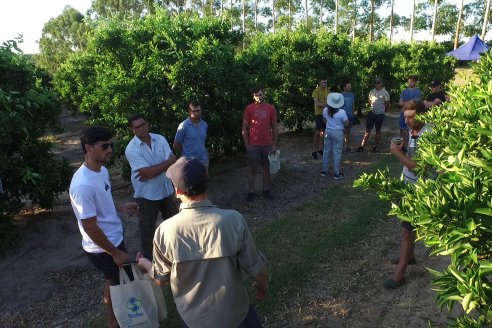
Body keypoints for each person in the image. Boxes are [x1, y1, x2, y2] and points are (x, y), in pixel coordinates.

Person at [135, 157, 269, 328]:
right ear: (207, 183)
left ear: (177, 191)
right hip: (236, 316)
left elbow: (161, 279)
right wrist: (262, 285)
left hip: (195, 321)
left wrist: (145, 263)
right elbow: (257, 267)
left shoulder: (165, 231)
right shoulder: (233, 220)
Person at [69, 125, 138, 328]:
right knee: (114, 282)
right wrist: (115, 253)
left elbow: (104, 199)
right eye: (105, 146)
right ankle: (113, 322)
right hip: (102, 247)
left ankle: (119, 318)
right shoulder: (82, 185)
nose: (110, 150)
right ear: (88, 148)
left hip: (113, 238)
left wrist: (122, 207)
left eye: (111, 145)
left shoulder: (102, 170)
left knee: (116, 280)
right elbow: (90, 226)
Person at [384, 99, 431, 289]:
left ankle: (400, 274)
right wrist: (403, 147)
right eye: (405, 117)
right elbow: (411, 155)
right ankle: (409, 256)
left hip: (420, 188)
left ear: (422, 115)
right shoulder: (413, 131)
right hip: (407, 185)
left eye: (411, 117)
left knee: (406, 229)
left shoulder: (429, 134)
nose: (408, 121)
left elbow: (418, 167)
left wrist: (396, 152)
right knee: (407, 226)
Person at [125, 113, 178, 259]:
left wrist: (151, 171)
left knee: (174, 224)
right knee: (147, 231)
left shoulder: (159, 138)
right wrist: (166, 164)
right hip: (146, 195)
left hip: (165, 190)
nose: (141, 128)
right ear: (133, 130)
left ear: (147, 124)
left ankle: (175, 253)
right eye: (137, 127)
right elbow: (151, 172)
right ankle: (150, 261)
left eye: (143, 124)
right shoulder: (131, 149)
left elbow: (168, 164)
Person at [242, 87, 279, 202]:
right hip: (253, 145)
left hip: (267, 144)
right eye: (256, 95)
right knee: (252, 169)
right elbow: (244, 127)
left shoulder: (271, 108)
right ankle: (251, 191)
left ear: (264, 95)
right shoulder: (249, 108)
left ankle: (266, 189)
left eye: (260, 94)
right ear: (253, 96)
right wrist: (247, 144)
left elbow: (275, 127)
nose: (259, 97)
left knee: (266, 168)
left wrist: (274, 144)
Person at [356, 77, 390, 153]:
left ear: (381, 84)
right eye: (375, 83)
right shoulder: (371, 91)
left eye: (378, 83)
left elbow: (387, 104)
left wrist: (383, 111)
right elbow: (370, 101)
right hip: (371, 112)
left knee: (378, 130)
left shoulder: (385, 93)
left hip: (380, 113)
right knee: (367, 130)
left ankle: (375, 147)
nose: (376, 84)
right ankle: (362, 146)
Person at [173, 100, 209, 171]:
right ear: (189, 111)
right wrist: (186, 152)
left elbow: (202, 142)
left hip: (203, 161)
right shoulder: (183, 126)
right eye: (194, 111)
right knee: (191, 182)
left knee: (204, 181)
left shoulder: (204, 124)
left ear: (201, 111)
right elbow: (175, 145)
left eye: (198, 111)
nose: (196, 113)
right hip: (189, 163)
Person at [321, 93, 349, 179]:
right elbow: (346, 124)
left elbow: (324, 121)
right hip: (337, 133)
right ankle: (336, 174)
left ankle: (324, 171)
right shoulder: (342, 112)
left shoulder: (325, 109)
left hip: (327, 131)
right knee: (336, 153)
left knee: (326, 151)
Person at [311, 78, 330, 159]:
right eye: (322, 82)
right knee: (318, 132)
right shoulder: (316, 91)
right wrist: (326, 105)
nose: (324, 84)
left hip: (326, 114)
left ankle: (320, 149)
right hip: (319, 113)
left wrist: (326, 105)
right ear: (320, 82)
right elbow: (317, 103)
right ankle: (314, 151)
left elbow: (330, 102)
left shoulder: (328, 91)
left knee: (323, 132)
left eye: (325, 82)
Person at [341, 81, 356, 151]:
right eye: (348, 86)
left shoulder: (352, 94)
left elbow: (353, 105)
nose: (350, 87)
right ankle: (342, 147)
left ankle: (347, 147)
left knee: (348, 131)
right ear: (344, 88)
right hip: (343, 116)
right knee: (342, 131)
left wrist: (353, 114)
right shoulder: (341, 95)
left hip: (350, 116)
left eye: (350, 86)